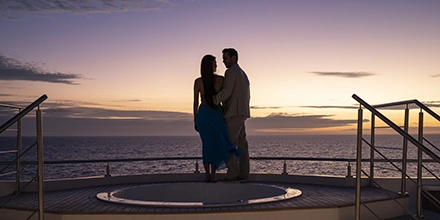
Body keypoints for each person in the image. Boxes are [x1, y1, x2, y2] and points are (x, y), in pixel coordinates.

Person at [193, 54, 241, 182]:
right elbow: (224, 101)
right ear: (210, 65)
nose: (216, 65)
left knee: (208, 145)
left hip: (203, 115)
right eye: (214, 63)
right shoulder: (220, 80)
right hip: (215, 114)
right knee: (215, 143)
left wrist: (195, 119)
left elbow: (195, 103)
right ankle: (212, 175)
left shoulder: (198, 81)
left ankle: (208, 175)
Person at [214, 48, 250, 181]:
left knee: (228, 143)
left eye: (226, 58)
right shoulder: (243, 74)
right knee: (242, 145)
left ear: (234, 58)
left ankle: (233, 172)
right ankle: (244, 173)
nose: (223, 61)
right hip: (243, 112)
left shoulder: (231, 72)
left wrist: (213, 100)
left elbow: (227, 91)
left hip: (234, 113)